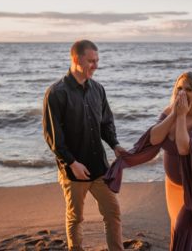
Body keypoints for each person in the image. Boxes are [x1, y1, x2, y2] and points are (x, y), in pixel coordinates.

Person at [105, 71, 192, 251]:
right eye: (179, 88)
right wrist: (174, 114)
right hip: (173, 184)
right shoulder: (169, 112)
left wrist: (181, 116)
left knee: (184, 225)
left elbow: (184, 148)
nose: (183, 92)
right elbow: (155, 138)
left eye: (189, 89)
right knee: (177, 226)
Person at [42, 40, 129, 251]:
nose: (95, 66)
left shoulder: (98, 89)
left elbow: (106, 123)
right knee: (76, 218)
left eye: (97, 61)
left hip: (99, 167)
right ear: (75, 59)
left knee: (113, 213)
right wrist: (72, 163)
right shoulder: (56, 93)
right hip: (74, 172)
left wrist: (115, 145)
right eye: (91, 61)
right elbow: (53, 137)